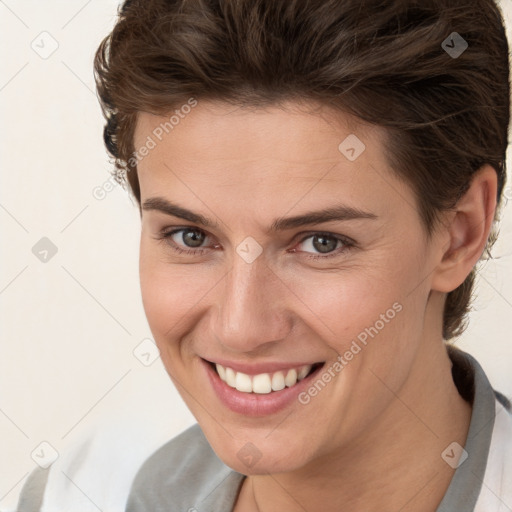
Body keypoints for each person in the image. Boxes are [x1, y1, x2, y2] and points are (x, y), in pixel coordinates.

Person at [17, 0, 512, 510]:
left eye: (322, 243)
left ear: (459, 234)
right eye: (190, 236)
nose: (241, 328)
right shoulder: (76, 496)